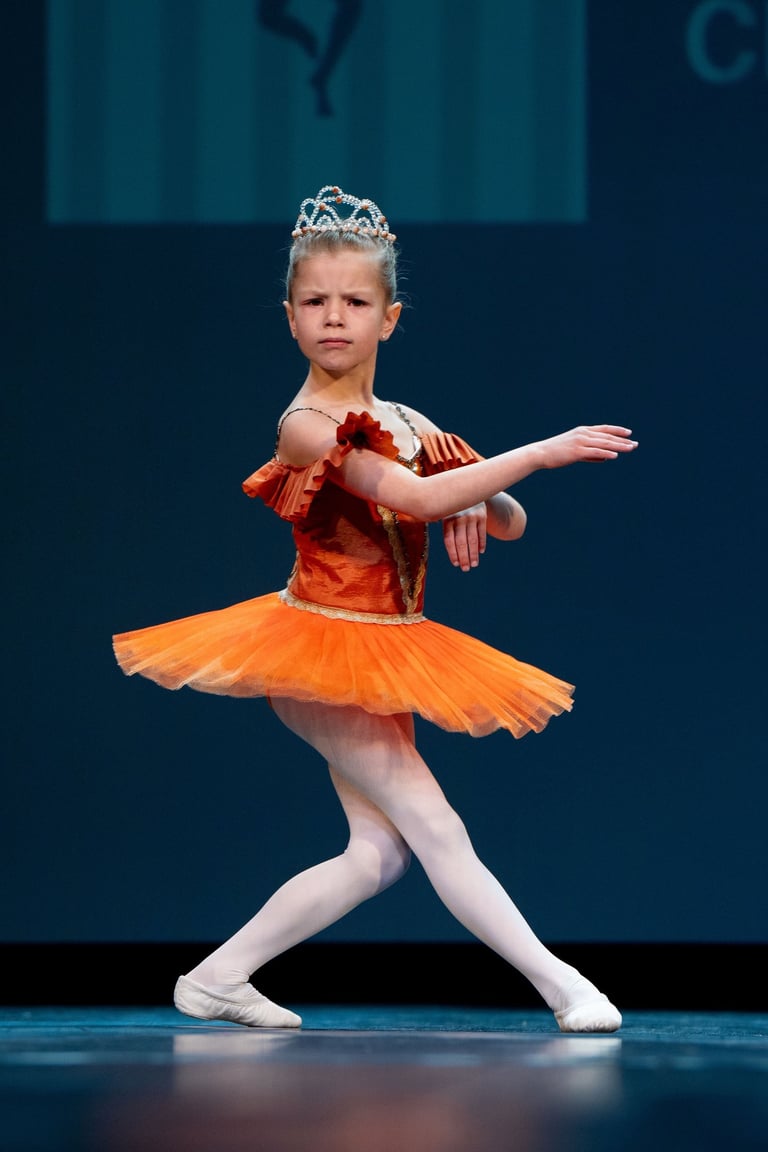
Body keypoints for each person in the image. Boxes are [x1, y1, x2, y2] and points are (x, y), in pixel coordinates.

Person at [113, 185, 637, 1033]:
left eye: (355, 302)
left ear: (389, 318)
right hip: (319, 649)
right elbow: (415, 499)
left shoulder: (405, 420)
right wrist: (535, 454)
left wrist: (479, 496)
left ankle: (216, 978)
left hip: (386, 652)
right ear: (289, 318)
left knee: (377, 856)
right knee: (437, 826)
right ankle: (565, 985)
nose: (334, 317)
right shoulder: (307, 424)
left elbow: (507, 522)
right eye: (314, 301)